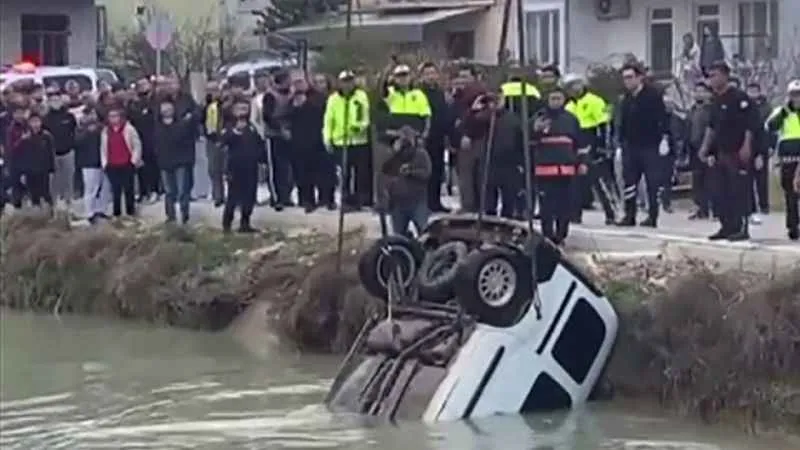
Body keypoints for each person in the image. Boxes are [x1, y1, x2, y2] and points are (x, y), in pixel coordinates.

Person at [698, 61, 760, 241]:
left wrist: (747, 146)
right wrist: (704, 147)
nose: (712, 79)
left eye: (715, 75)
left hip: (737, 150)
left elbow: (751, 124)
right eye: (710, 76)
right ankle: (727, 226)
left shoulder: (739, 98)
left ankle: (742, 227)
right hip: (721, 152)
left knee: (739, 189)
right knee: (720, 190)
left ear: (725, 75)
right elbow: (712, 127)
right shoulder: (715, 101)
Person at [616, 63, 670, 227]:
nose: (627, 81)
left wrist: (665, 139)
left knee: (652, 182)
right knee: (629, 182)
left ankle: (652, 216)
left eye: (630, 77)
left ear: (640, 78)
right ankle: (629, 215)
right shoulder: (626, 98)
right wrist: (621, 143)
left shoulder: (652, 95)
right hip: (631, 146)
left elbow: (663, 118)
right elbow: (622, 122)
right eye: (625, 78)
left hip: (650, 145)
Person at [531, 88, 582, 246]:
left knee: (565, 205)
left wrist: (581, 162)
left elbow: (579, 143)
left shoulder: (571, 119)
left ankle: (561, 235)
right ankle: (547, 236)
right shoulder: (538, 118)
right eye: (552, 98)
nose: (555, 101)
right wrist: (536, 130)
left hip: (566, 170)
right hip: (544, 170)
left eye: (558, 98)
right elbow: (527, 139)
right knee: (546, 207)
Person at [563, 73, 615, 224]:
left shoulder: (594, 101)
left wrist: (602, 146)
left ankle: (611, 213)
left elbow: (604, 124)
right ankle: (575, 214)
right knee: (575, 182)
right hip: (576, 142)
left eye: (575, 85)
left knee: (600, 181)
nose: (573, 90)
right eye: (569, 88)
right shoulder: (569, 106)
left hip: (593, 140)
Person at [323, 70, 371, 211]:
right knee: (343, 174)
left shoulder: (361, 96)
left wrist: (358, 127)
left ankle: (357, 201)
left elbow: (364, 116)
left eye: (350, 81)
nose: (347, 84)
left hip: (358, 141)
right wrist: (328, 138)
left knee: (359, 174)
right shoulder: (333, 99)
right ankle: (345, 200)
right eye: (344, 81)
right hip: (340, 141)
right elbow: (328, 120)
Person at [220, 100, 266, 233]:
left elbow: (259, 144)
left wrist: (261, 160)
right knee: (233, 197)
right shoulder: (229, 127)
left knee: (249, 196)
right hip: (234, 168)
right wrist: (235, 132)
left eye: (245, 108)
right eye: (240, 108)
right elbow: (223, 141)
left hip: (250, 167)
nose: (243, 111)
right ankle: (227, 224)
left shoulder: (252, 127)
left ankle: (245, 223)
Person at [288, 76, 333, 212]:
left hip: (318, 139)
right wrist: (295, 106)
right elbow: (287, 116)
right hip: (300, 142)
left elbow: (323, 112)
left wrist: (306, 103)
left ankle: (326, 199)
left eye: (300, 82)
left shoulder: (318, 97)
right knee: (303, 174)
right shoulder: (292, 100)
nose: (298, 85)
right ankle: (307, 200)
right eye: (295, 83)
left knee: (324, 172)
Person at [378, 126, 431, 236]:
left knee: (425, 234)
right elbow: (384, 170)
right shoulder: (394, 156)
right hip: (398, 203)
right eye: (402, 139)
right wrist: (394, 152)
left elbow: (426, 174)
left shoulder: (421, 154)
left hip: (417, 201)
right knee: (398, 236)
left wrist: (411, 172)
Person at [477, 92, 524, 218]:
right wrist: (478, 108)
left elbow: (520, 140)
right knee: (489, 195)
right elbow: (472, 125)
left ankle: (507, 217)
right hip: (489, 160)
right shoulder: (485, 117)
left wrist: (520, 161)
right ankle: (490, 217)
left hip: (508, 162)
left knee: (509, 196)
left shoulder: (513, 119)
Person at [765, 79, 800, 241]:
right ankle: (793, 226)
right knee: (790, 194)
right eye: (794, 95)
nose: (797, 98)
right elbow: (770, 126)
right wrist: (783, 113)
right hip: (788, 158)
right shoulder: (781, 111)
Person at [154, 99, 196, 224]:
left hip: (181, 162)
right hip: (164, 163)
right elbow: (156, 145)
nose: (167, 110)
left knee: (183, 190)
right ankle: (171, 217)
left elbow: (188, 142)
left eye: (169, 108)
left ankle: (184, 216)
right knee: (169, 192)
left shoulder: (182, 125)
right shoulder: (157, 127)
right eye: (164, 108)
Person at [418, 62, 451, 213]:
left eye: (433, 73)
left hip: (438, 137)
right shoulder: (419, 93)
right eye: (427, 73)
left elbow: (444, 113)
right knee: (425, 171)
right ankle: (424, 203)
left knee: (437, 171)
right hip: (424, 138)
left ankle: (435, 202)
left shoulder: (440, 93)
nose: (431, 76)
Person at [100, 107, 142, 218]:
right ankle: (117, 214)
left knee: (129, 189)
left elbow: (137, 145)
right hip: (112, 165)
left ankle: (130, 213)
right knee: (116, 191)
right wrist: (105, 163)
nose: (113, 119)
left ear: (120, 117)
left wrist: (134, 161)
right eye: (111, 116)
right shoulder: (105, 131)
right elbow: (103, 148)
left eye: (115, 116)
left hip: (127, 163)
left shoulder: (129, 129)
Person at [262, 70, 294, 210]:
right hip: (274, 136)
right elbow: (267, 116)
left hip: (288, 135)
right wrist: (281, 130)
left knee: (287, 168)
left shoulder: (290, 95)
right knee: (275, 168)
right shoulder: (270, 96)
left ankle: (286, 196)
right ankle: (276, 198)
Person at [43, 87, 77, 209]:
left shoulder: (69, 116)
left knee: (68, 180)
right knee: (54, 182)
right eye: (52, 99)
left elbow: (74, 131)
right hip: (52, 155)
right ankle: (55, 206)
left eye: (57, 98)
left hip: (68, 153)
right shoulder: (45, 119)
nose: (55, 101)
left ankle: (69, 204)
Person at [128, 77, 160, 203]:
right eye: (139, 85)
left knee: (152, 165)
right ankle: (142, 192)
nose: (142, 87)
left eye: (144, 85)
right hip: (138, 138)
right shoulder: (134, 104)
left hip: (152, 137)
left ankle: (154, 190)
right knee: (140, 166)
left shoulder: (154, 101)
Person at [75, 107, 109, 223]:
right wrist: (87, 132)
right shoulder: (80, 129)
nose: (91, 116)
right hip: (88, 163)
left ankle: (101, 210)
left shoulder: (102, 128)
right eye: (88, 114)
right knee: (91, 189)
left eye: (93, 113)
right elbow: (76, 142)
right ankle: (90, 212)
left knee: (105, 187)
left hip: (103, 161)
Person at [686, 82, 714, 220]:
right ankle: (700, 208)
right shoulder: (692, 111)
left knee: (710, 180)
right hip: (693, 148)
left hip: (708, 149)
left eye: (702, 91)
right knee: (697, 180)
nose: (698, 94)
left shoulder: (710, 110)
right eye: (696, 91)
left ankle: (712, 208)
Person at [744, 82, 772, 224]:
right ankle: (751, 208)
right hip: (746, 148)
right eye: (750, 90)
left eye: (755, 90)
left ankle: (764, 205)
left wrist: (762, 152)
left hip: (760, 147)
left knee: (761, 179)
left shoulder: (766, 108)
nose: (752, 93)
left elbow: (765, 132)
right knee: (747, 180)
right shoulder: (744, 108)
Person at [18, 113, 55, 208]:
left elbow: (51, 154)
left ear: (41, 122)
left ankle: (51, 211)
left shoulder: (47, 136)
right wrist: (22, 171)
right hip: (30, 170)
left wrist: (52, 169)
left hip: (43, 170)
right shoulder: (25, 137)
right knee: (34, 194)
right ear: (29, 123)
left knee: (46, 193)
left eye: (37, 121)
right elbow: (21, 155)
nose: (35, 124)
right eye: (33, 121)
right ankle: (36, 214)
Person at [204, 81, 226, 207]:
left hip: (224, 139)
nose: (211, 93)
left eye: (214, 90)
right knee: (214, 169)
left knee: (227, 169)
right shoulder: (206, 106)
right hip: (211, 140)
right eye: (209, 90)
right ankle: (218, 196)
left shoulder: (224, 105)